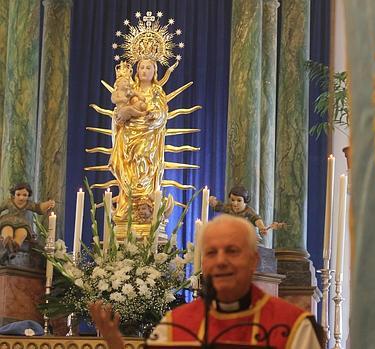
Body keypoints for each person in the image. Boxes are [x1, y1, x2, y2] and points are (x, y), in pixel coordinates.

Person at [89, 215, 322, 348]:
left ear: (253, 260)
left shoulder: (293, 326)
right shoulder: (175, 326)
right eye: (211, 253)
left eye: (232, 251)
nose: (220, 261)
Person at [109, 58, 169, 236]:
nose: (144, 70)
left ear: (154, 71)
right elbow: (118, 112)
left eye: (148, 67)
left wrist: (153, 114)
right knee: (129, 170)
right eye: (141, 67)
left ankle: (146, 208)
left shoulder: (157, 91)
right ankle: (127, 208)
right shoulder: (129, 88)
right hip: (128, 137)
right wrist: (121, 115)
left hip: (148, 137)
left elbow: (162, 114)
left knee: (144, 168)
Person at [0, 183, 55, 254]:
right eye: (18, 194)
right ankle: (8, 246)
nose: (21, 198)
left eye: (24, 195)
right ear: (14, 194)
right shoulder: (9, 201)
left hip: (22, 224)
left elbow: (38, 208)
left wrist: (48, 204)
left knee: (22, 233)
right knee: (7, 231)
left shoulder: (28, 204)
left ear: (28, 195)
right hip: (7, 221)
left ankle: (13, 250)